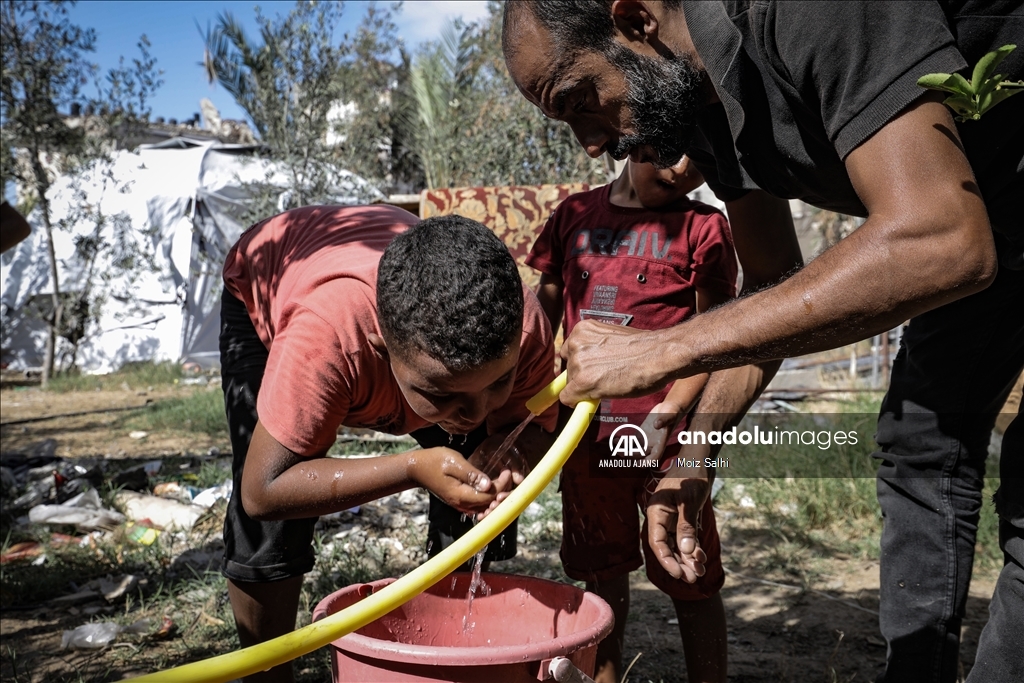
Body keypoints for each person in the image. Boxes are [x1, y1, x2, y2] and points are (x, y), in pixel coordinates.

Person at [502, 2, 1023, 682]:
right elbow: (774, 284)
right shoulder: (703, 104)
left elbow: (941, 239)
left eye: (579, 100)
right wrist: (693, 456)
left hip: (972, 217)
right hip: (993, 215)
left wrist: (667, 346)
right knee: (921, 445)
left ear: (634, 17)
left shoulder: (802, 10)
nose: (590, 145)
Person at [219, 204, 557, 683]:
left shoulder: (521, 327)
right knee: (272, 528)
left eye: (498, 384)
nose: (477, 413)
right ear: (382, 348)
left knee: (483, 503)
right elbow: (263, 490)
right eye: (441, 394)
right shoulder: (329, 337)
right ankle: (265, 671)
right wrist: (410, 467)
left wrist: (509, 451)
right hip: (266, 273)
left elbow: (538, 428)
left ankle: (461, 647)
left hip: (392, 279)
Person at [528, 154, 735, 682]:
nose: (682, 171)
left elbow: (714, 340)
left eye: (700, 163)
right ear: (631, 138)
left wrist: (669, 414)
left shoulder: (704, 227)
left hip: (668, 443)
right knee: (600, 576)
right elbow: (542, 311)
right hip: (588, 439)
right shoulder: (572, 216)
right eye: (669, 155)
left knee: (690, 568)